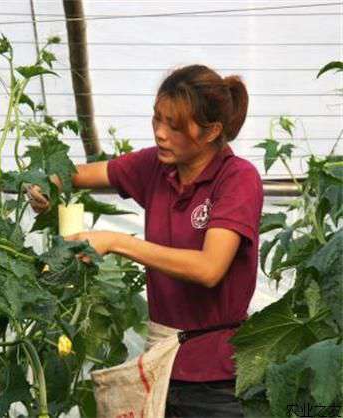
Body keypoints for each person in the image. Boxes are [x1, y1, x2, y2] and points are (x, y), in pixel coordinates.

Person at [28, 64, 263, 417]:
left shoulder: (238, 179)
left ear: (213, 131)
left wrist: (115, 241)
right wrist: (46, 185)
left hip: (219, 379)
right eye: (157, 119)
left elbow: (209, 268)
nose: (160, 134)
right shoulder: (156, 167)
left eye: (175, 126)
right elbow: (77, 174)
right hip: (160, 366)